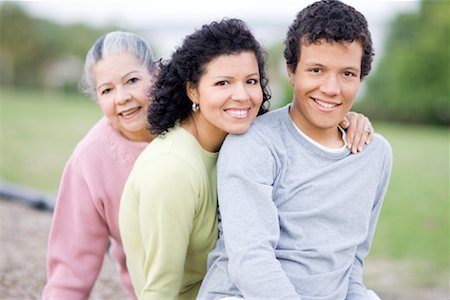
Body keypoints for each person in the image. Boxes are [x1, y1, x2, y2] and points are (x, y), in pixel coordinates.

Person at [119, 17, 375, 300]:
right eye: (223, 83)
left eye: (251, 81)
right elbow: (158, 290)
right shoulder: (172, 169)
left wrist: (346, 118)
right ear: (193, 89)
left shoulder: (232, 140)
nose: (242, 96)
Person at [197, 1, 393, 300]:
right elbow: (251, 262)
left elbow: (352, 262)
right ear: (291, 71)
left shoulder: (374, 154)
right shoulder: (254, 144)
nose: (331, 88)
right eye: (316, 70)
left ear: (361, 77)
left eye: (347, 74)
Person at [42, 31, 158, 300]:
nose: (122, 97)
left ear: (157, 75)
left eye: (132, 80)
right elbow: (71, 266)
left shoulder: (193, 121)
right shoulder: (89, 160)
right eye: (107, 90)